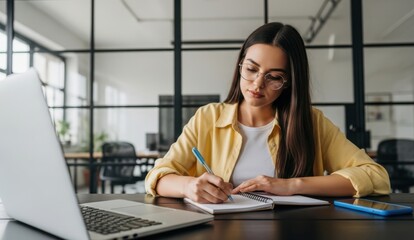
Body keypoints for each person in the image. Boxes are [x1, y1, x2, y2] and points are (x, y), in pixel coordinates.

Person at [145, 22, 390, 203]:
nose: (257, 85)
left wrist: (291, 185)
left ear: (290, 82)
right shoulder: (207, 118)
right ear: (240, 65)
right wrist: (189, 186)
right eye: (251, 69)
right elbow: (157, 176)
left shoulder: (311, 122)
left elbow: (375, 176)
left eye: (274, 77)